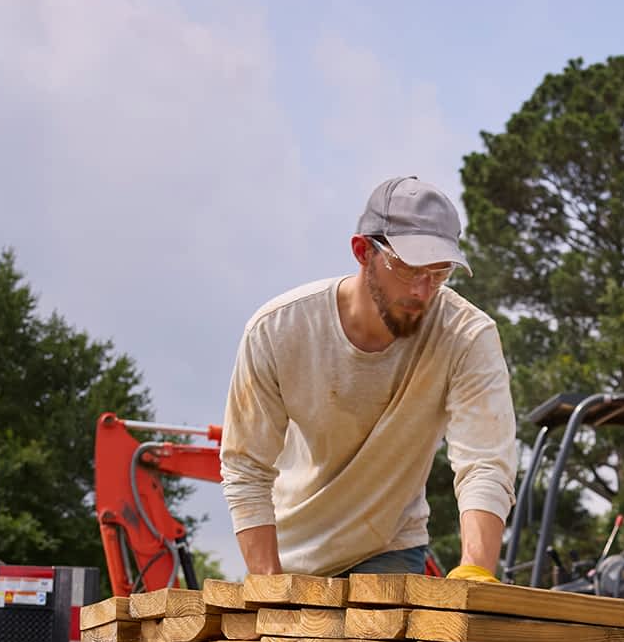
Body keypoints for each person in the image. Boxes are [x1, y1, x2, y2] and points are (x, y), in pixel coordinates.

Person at [221, 176, 518, 580]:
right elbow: (246, 468)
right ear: (363, 251)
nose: (422, 290)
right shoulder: (279, 330)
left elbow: (484, 463)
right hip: (291, 553)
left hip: (389, 547)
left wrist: (475, 573)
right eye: (407, 267)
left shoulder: (466, 336)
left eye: (439, 272)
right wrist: (268, 584)